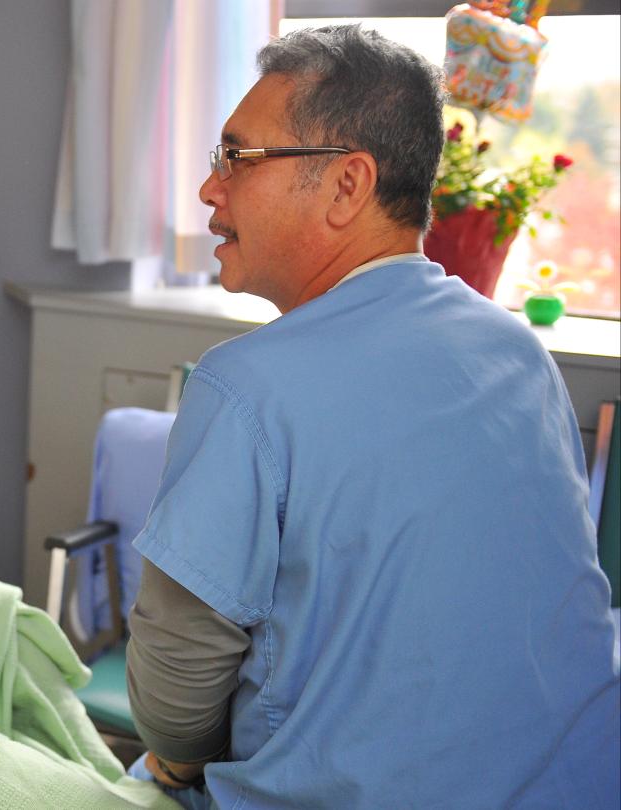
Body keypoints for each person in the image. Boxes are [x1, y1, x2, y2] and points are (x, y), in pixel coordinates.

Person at [123, 25, 620, 810]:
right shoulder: (516, 353)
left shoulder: (247, 387)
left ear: (348, 184)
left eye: (237, 158)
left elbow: (176, 704)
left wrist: (174, 768)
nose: (210, 189)